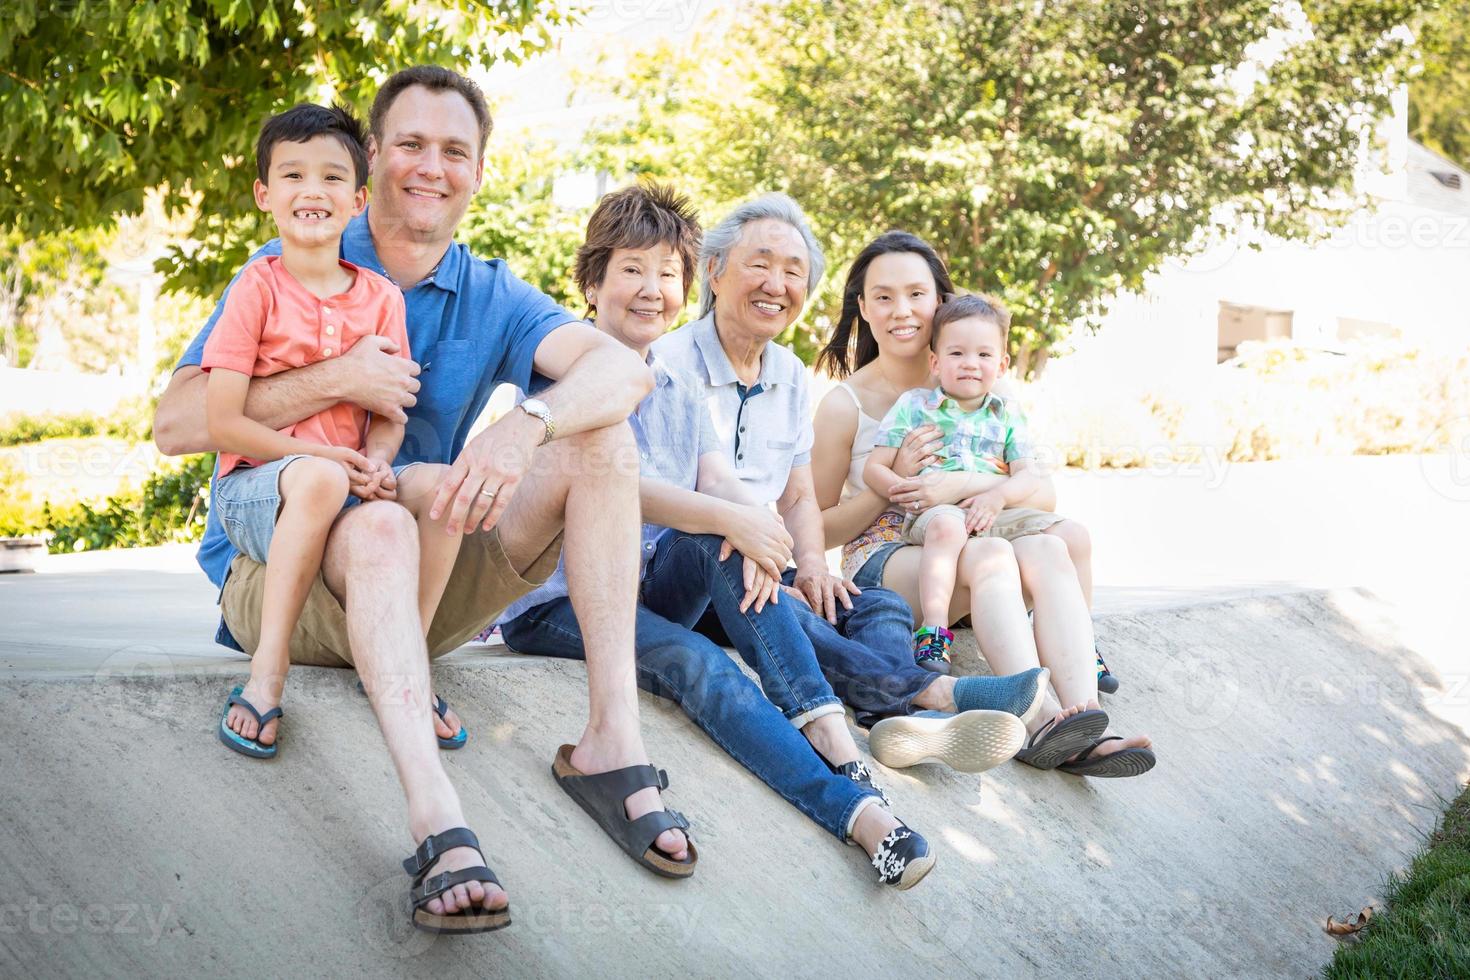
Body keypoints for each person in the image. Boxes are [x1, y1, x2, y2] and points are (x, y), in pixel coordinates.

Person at [154, 66, 694, 934]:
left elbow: (624, 370)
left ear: (479, 171)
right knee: (376, 529)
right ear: (373, 157)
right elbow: (178, 424)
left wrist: (524, 425)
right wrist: (334, 378)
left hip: (427, 578)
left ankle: (610, 746)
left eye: (454, 150)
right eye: (409, 144)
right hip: (291, 580)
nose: (429, 167)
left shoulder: (491, 291)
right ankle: (438, 824)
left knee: (600, 438)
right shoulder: (294, 257)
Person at [496, 182, 1038, 888]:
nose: (652, 289)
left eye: (666, 274)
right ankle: (858, 800)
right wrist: (733, 522)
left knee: (733, 551)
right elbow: (615, 486)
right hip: (558, 605)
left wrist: (754, 533)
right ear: (592, 281)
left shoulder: (672, 381)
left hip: (648, 582)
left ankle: (858, 731)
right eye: (632, 270)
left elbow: (716, 480)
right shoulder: (558, 369)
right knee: (702, 661)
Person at [651, 195, 1052, 776]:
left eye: (794, 271)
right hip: (681, 563)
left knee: (877, 604)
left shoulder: (787, 373)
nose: (776, 283)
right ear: (714, 271)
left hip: (751, 550)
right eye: (760, 263)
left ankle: (893, 721)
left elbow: (796, 497)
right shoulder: (671, 362)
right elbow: (684, 499)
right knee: (766, 589)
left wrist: (812, 565)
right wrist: (770, 557)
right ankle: (931, 695)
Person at [812, 231, 1154, 778]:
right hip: (888, 555)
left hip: (972, 535)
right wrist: (889, 482)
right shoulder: (844, 403)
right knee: (991, 555)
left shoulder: (978, 382)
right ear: (863, 308)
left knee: (1048, 544)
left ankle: (1086, 715)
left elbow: (1041, 491)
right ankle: (1039, 720)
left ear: (940, 302)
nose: (901, 310)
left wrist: (964, 484)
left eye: (916, 294)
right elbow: (815, 530)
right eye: (883, 297)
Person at [206, 104, 465, 760]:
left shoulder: (381, 299)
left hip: (342, 478)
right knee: (320, 475)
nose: (311, 191)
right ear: (265, 195)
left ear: (356, 199)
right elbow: (221, 421)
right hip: (256, 491)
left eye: (330, 178)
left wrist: (377, 461)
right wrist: (321, 455)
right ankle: (266, 676)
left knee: (439, 487)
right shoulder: (255, 288)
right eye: (293, 175)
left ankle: (411, 661)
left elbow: (388, 417)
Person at [863, 292, 1068, 674]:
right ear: (935, 362)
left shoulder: (1006, 413)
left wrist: (996, 495)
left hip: (990, 510)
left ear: (1003, 364)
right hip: (935, 512)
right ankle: (934, 629)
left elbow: (1026, 473)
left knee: (1071, 536)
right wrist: (899, 487)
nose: (971, 364)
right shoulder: (914, 405)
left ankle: (1082, 646)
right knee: (946, 524)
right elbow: (874, 468)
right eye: (957, 354)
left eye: (984, 355)